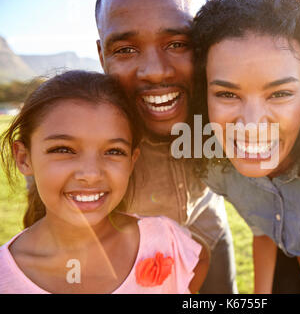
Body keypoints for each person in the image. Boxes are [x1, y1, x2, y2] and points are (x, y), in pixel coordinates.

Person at [191, 0, 300, 293]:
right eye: (227, 94)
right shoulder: (219, 171)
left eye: (279, 94)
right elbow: (264, 230)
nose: (251, 125)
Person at [0, 70, 208, 294]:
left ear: (131, 161)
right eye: (63, 149)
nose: (91, 174)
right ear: (24, 158)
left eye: (113, 151)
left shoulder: (167, 243)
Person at [94, 0, 238, 293]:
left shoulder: (224, 104)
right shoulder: (86, 130)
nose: (156, 70)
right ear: (101, 56)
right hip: (133, 260)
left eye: (176, 44)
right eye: (126, 49)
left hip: (210, 234)